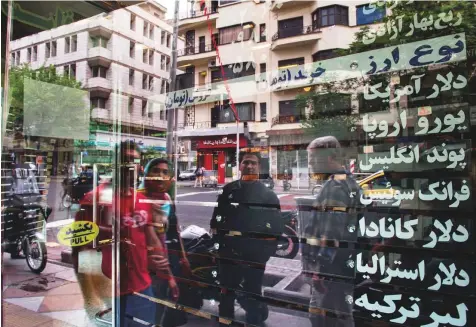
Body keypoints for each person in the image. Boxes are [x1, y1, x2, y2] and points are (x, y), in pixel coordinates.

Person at [73, 141, 175, 327]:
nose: (130, 165)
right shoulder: (94, 199)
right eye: (125, 160)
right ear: (116, 163)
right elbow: (79, 248)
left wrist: (167, 273)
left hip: (141, 286)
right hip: (108, 288)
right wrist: (87, 291)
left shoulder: (143, 200)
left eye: (134, 160)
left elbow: (152, 241)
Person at [210, 151, 284, 325]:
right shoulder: (229, 190)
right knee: (226, 294)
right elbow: (216, 220)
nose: (249, 166)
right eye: (246, 162)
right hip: (229, 253)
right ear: (240, 165)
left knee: (253, 295)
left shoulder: (268, 195)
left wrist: (263, 254)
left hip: (254, 256)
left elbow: (276, 229)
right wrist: (218, 246)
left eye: (253, 163)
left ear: (259, 167)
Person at [302, 136, 361, 327]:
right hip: (344, 266)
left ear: (328, 157)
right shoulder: (351, 183)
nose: (310, 164)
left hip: (332, 270)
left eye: (312, 159)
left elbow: (331, 232)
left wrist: (320, 271)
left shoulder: (334, 187)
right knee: (340, 315)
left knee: (323, 318)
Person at [139, 158, 191, 327]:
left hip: (172, 256)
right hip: (154, 262)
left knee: (169, 301)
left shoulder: (167, 198)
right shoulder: (139, 200)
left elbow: (175, 229)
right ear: (146, 175)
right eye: (155, 171)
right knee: (156, 302)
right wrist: (168, 274)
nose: (160, 176)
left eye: (165, 172)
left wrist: (183, 257)